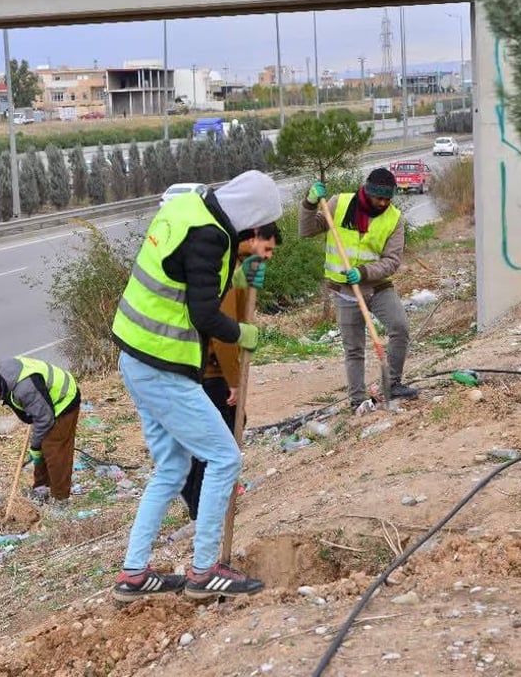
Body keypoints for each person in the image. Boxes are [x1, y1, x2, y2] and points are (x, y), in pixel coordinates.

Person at [110, 169, 282, 602]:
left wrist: (241, 279)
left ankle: (134, 573)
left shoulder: (190, 207)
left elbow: (186, 279)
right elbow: (205, 313)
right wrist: (243, 334)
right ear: (255, 223)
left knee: (171, 469)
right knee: (224, 457)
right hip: (162, 364)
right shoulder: (211, 236)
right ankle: (205, 570)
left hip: (135, 355)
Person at [180, 222, 282, 520]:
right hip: (209, 370)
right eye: (267, 248)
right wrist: (234, 381)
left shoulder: (232, 264)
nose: (269, 256)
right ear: (252, 239)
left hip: (202, 367)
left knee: (217, 432)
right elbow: (222, 332)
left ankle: (201, 500)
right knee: (218, 437)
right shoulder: (225, 264)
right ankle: (201, 508)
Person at [299, 167, 418, 407]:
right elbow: (307, 230)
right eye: (378, 198)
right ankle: (357, 400)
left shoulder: (394, 218)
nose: (383, 203)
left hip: (377, 287)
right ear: (367, 190)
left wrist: (363, 272)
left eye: (387, 198)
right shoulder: (338, 204)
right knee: (354, 348)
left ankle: (392, 384)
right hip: (344, 291)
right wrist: (310, 204)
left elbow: (392, 261)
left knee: (400, 327)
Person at [0, 356, 81, 505]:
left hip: (64, 398)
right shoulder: (3, 376)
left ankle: (61, 498)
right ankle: (41, 489)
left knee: (54, 450)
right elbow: (29, 408)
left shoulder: (24, 388)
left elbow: (45, 418)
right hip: (45, 402)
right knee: (42, 447)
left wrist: (35, 445)